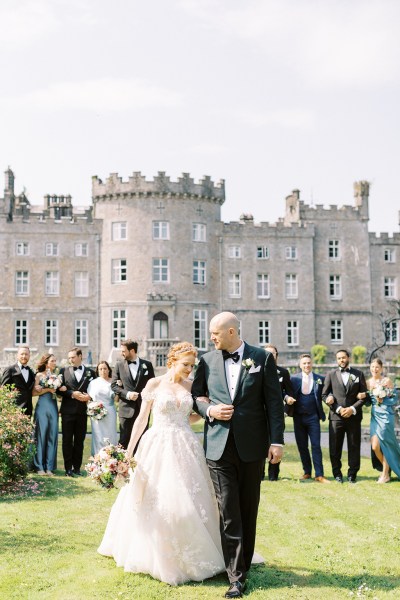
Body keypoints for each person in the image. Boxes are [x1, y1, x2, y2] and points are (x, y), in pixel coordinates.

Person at [98, 342, 225, 585]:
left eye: (192, 365)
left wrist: (207, 413)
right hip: (157, 443)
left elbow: (196, 416)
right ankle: (154, 549)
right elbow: (141, 419)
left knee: (191, 495)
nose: (190, 369)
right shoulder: (154, 384)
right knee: (156, 496)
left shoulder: (192, 386)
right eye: (186, 364)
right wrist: (128, 451)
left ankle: (193, 547)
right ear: (173, 361)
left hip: (186, 443)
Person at [192, 312, 284, 599]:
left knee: (248, 508)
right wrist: (210, 411)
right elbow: (196, 397)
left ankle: (243, 563)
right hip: (218, 446)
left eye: (215, 333)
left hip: (253, 446)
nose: (211, 338)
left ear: (231, 332)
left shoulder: (261, 358)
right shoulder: (207, 361)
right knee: (229, 510)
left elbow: (273, 402)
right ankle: (236, 577)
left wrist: (277, 441)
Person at [322, 349, 367, 484]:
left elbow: (364, 396)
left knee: (354, 446)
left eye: (343, 358)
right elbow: (324, 395)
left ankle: (352, 474)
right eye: (339, 358)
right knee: (335, 447)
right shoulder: (331, 374)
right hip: (336, 417)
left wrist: (352, 409)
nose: (341, 360)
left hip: (353, 416)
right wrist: (339, 408)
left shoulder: (358, 374)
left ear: (348, 358)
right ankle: (337, 474)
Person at [289, 354, 329, 483]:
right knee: (302, 446)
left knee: (316, 446)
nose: (307, 365)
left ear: (312, 364)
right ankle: (307, 472)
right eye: (304, 363)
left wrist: (330, 397)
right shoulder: (293, 379)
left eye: (308, 363)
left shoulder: (320, 379)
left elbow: (328, 391)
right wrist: (287, 398)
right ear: (300, 365)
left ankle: (319, 474)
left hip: (313, 417)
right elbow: (284, 392)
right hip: (298, 417)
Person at [58, 347, 96, 477]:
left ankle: (77, 468)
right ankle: (68, 468)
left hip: (82, 412)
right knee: (67, 440)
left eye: (73, 357)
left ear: (80, 356)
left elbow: (95, 390)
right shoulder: (63, 371)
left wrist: (89, 397)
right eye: (69, 358)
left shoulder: (91, 373)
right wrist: (72, 393)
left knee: (80, 441)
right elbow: (58, 389)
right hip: (67, 412)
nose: (70, 360)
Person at [111, 339, 155, 449]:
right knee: (124, 441)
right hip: (125, 410)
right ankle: (123, 466)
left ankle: (139, 466)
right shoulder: (119, 365)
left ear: (132, 351)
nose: (121, 353)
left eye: (123, 351)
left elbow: (153, 386)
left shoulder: (147, 365)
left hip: (143, 409)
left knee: (142, 441)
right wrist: (127, 394)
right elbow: (114, 386)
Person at [263, 343, 295, 481]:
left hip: (277, 415)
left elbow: (290, 393)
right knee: (260, 444)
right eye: (267, 354)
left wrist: (285, 412)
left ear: (276, 356)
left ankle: (273, 476)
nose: (270, 356)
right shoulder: (258, 371)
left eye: (273, 354)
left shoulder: (283, 372)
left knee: (276, 442)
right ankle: (259, 475)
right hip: (260, 415)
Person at [367, 358, 400, 483]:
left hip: (386, 415)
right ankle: (389, 467)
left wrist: (383, 397)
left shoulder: (387, 381)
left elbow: (394, 398)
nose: (374, 369)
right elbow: (367, 400)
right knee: (375, 446)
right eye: (372, 366)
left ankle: (385, 474)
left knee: (386, 445)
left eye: (377, 367)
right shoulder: (368, 382)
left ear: (381, 368)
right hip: (375, 415)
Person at [32, 353, 66, 475]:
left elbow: (56, 394)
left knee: (52, 435)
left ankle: (49, 467)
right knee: (40, 435)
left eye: (55, 361)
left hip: (53, 407)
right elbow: (33, 393)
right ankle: (39, 466)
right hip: (42, 407)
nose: (54, 363)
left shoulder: (56, 377)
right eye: (52, 361)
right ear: (46, 363)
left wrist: (61, 390)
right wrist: (47, 389)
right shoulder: (39, 375)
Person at [87, 361, 118, 455]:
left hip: (110, 412)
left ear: (108, 370)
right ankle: (98, 461)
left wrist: (119, 387)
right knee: (98, 436)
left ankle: (111, 460)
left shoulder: (113, 382)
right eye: (100, 369)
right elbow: (89, 399)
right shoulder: (93, 383)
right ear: (97, 370)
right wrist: (92, 408)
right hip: (97, 412)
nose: (103, 371)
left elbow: (116, 399)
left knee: (110, 436)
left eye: (105, 368)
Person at [1, 346, 35, 417]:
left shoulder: (31, 372)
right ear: (17, 355)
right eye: (22, 354)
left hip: (28, 411)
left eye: (26, 354)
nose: (24, 356)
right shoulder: (10, 370)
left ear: (29, 356)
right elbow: (3, 390)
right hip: (14, 411)